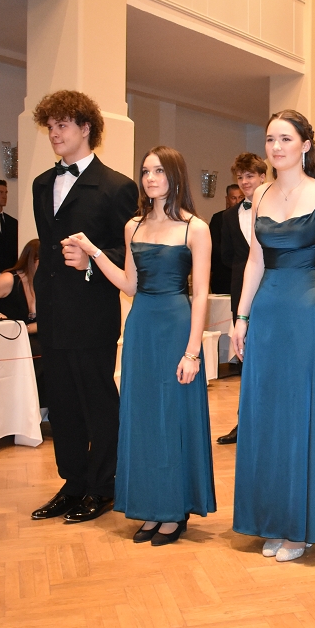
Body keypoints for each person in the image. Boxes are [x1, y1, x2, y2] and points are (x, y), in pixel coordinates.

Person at [64, 145, 216, 547]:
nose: (150, 178)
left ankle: (174, 510)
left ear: (175, 176)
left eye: (159, 171)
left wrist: (192, 352)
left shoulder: (195, 228)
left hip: (176, 324)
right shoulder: (133, 226)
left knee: (172, 417)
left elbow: (200, 293)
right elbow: (129, 285)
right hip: (141, 327)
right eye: (146, 171)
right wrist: (95, 253)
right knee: (143, 418)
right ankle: (151, 506)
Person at [231, 109, 315, 562]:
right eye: (270, 139)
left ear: (305, 145)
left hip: (304, 308)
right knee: (266, 415)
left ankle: (299, 526)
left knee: (301, 413)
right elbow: (255, 260)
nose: (276, 147)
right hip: (266, 311)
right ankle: (271, 519)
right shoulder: (260, 193)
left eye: (285, 138)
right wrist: (241, 317)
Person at [29, 90, 139, 525]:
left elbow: (129, 252)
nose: (54, 133)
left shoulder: (116, 186)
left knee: (97, 402)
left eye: (62, 125)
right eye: (50, 126)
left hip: (93, 312)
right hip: (53, 311)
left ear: (86, 128)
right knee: (61, 404)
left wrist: (92, 259)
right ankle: (72, 483)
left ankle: (102, 486)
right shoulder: (41, 183)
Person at [217, 152, 268, 445]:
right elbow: (226, 256)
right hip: (242, 293)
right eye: (240, 177)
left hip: (272, 289)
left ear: (263, 176)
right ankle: (243, 423)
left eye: (250, 176)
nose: (245, 181)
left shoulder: (277, 206)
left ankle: (269, 423)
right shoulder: (228, 216)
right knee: (245, 359)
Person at [0, 239, 46, 410]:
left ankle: (40, 407)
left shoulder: (46, 284)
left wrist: (26, 329)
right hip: (7, 336)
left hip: (29, 334)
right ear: (33, 260)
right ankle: (28, 407)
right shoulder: (9, 279)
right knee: (38, 352)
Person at [210, 184, 242, 295]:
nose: (237, 201)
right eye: (233, 198)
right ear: (227, 199)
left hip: (244, 271)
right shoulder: (218, 218)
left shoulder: (250, 217)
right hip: (223, 273)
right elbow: (214, 245)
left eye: (240, 197)